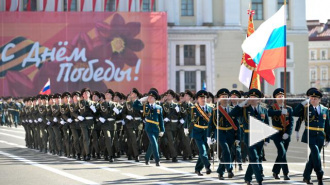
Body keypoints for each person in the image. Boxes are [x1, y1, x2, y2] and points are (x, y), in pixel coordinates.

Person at [293, 88, 330, 185]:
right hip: (310, 135)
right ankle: (319, 175)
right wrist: (302, 103)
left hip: (320, 136)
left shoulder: (325, 110)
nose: (313, 100)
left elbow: (327, 125)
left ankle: (306, 176)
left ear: (320, 100)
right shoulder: (306, 108)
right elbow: (295, 113)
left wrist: (328, 138)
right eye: (311, 98)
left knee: (312, 158)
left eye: (315, 98)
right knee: (316, 154)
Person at [184, 90, 212, 176]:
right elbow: (188, 118)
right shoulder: (193, 109)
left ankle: (197, 169)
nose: (203, 99)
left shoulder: (210, 108)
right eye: (201, 97)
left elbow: (212, 122)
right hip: (197, 132)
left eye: (205, 97)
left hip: (207, 132)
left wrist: (213, 134)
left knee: (204, 151)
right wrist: (186, 127)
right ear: (197, 99)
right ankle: (207, 166)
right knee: (202, 150)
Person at [134, 90, 165, 166]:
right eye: (149, 97)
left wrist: (162, 130)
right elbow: (135, 106)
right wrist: (141, 99)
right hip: (149, 128)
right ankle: (157, 160)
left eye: (151, 97)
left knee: (152, 145)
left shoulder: (159, 107)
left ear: (155, 99)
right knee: (154, 143)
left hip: (156, 128)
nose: (149, 98)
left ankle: (147, 158)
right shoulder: (145, 106)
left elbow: (161, 119)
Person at [268, 88, 293, 180]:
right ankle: (286, 173)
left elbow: (291, 123)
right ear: (275, 97)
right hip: (276, 133)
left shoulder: (289, 108)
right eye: (279, 96)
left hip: (285, 133)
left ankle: (275, 171)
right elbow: (268, 113)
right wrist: (280, 112)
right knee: (282, 151)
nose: (281, 98)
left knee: (281, 153)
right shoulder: (273, 108)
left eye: (282, 96)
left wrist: (288, 134)